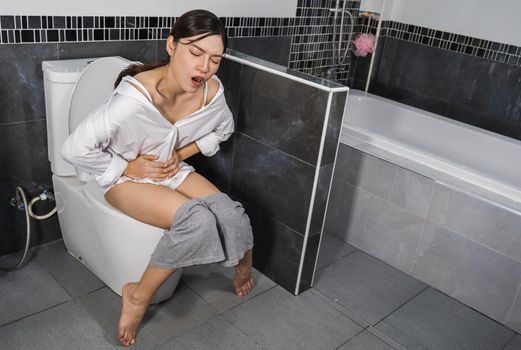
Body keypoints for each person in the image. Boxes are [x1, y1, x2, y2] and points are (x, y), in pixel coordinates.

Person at [61, 9, 254, 347]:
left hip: (171, 171)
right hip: (123, 181)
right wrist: (127, 168)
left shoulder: (212, 94)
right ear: (171, 45)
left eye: (215, 59)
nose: (204, 67)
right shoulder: (130, 102)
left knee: (230, 213)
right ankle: (137, 295)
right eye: (195, 53)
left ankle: (241, 265)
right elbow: (73, 149)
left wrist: (179, 154)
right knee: (197, 222)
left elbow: (224, 129)